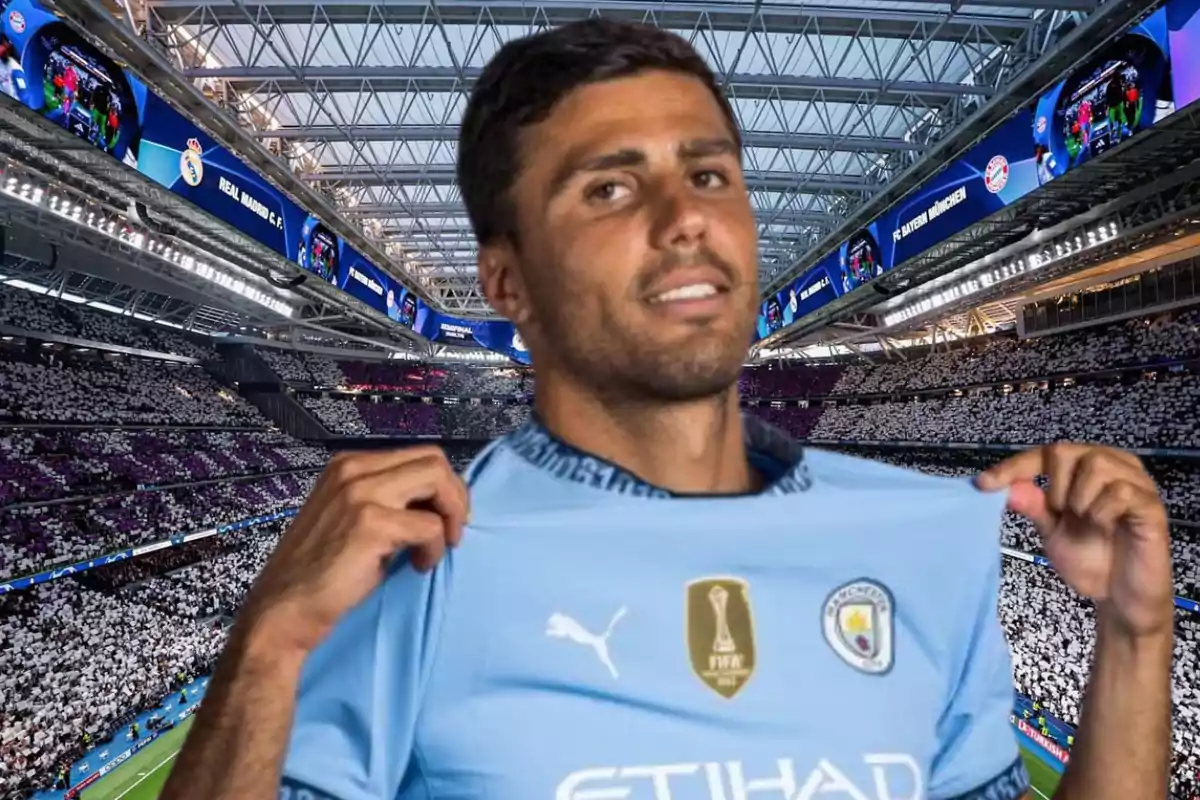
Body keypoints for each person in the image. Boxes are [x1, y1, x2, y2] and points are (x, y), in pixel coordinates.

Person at [162, 19, 1174, 800]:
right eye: (608, 188)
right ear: (505, 280)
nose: (684, 216)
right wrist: (269, 644)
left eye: (707, 174)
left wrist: (1136, 629)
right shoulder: (414, 566)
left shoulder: (918, 542)